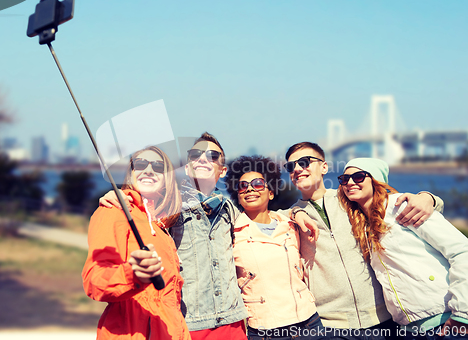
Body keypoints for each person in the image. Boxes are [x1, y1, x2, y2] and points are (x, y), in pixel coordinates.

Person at [284, 141, 444, 339]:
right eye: (291, 166)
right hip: (330, 324)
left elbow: (392, 200)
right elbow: (266, 218)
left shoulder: (352, 198)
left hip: (382, 319)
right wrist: (295, 211)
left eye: (305, 162)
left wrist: (429, 198)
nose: (297, 169)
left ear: (324, 167)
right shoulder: (287, 218)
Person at [100, 133, 249, 339]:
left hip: (233, 321)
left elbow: (264, 222)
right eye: (196, 154)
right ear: (187, 168)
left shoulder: (231, 210)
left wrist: (298, 211)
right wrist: (120, 195)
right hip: (190, 323)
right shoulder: (170, 205)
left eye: (212, 155)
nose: (204, 158)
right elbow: (143, 203)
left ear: (223, 171)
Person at [338, 157, 468, 340]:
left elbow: (461, 250)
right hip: (408, 330)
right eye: (344, 179)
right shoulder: (361, 224)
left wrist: (463, 313)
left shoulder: (402, 206)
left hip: (445, 322)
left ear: (376, 181)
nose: (349, 182)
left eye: (358, 176)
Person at [82, 146, 190, 340]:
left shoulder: (162, 228)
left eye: (158, 167)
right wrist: (133, 274)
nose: (148, 170)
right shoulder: (113, 211)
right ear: (130, 174)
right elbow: (94, 281)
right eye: (140, 164)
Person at [225, 155, 326, 340]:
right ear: (237, 197)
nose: (249, 189)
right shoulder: (231, 233)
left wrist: (296, 211)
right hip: (265, 329)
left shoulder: (291, 225)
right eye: (242, 186)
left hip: (308, 322)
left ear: (271, 192)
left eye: (257, 184)